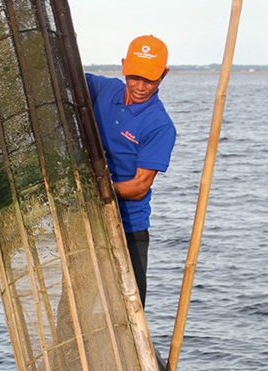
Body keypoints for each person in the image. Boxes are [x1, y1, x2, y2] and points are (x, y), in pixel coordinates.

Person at [86, 35, 177, 307]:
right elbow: (60, 76)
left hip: (128, 228)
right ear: (123, 66)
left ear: (164, 74)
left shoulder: (160, 125)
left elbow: (138, 188)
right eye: (134, 77)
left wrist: (91, 190)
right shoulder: (103, 89)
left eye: (150, 79)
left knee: (130, 309)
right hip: (89, 223)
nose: (139, 86)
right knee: (77, 303)